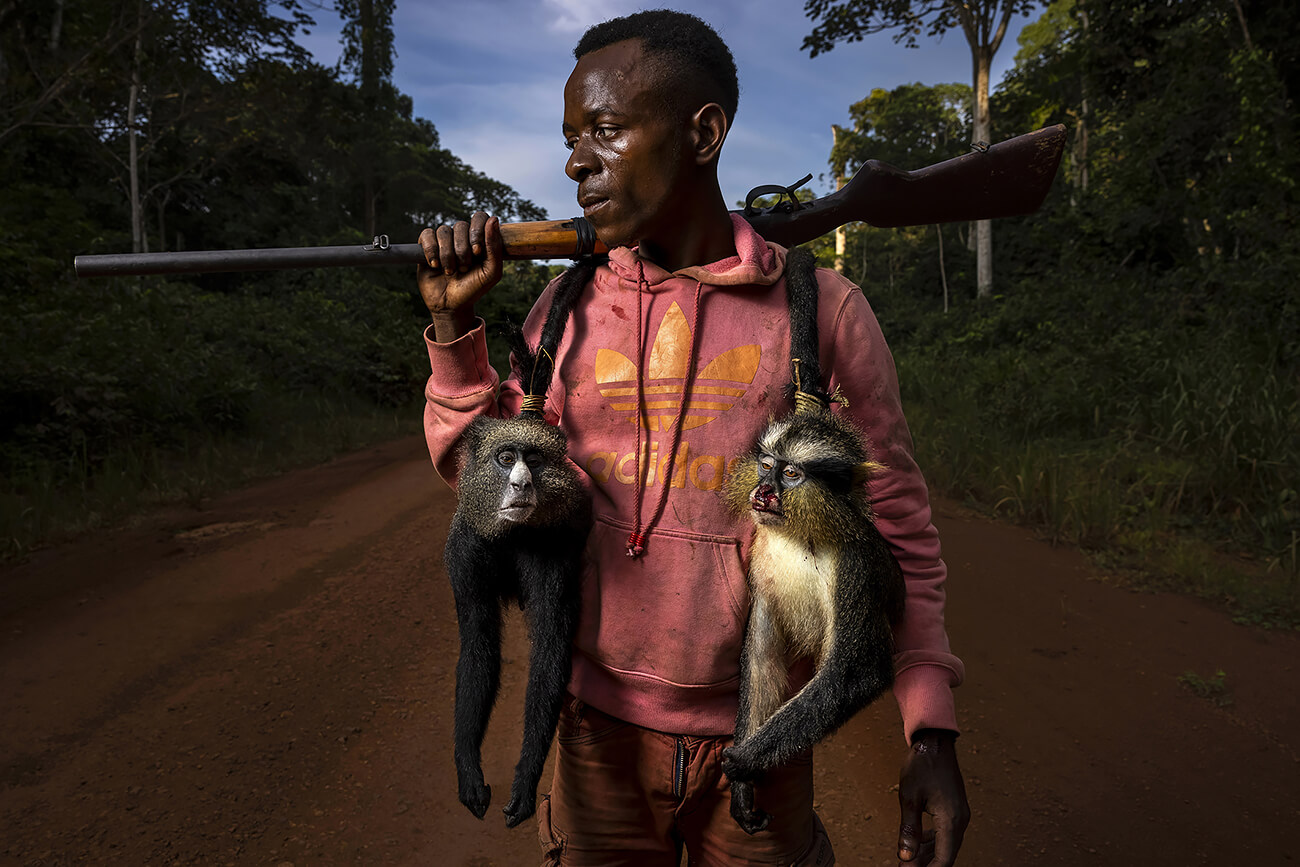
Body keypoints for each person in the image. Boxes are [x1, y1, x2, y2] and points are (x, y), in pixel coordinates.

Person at [417, 9, 968, 866]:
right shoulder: (562, 311)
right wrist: (455, 333)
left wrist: (930, 728)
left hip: (763, 739)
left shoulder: (823, 315)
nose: (574, 162)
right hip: (593, 733)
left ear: (703, 131)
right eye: (570, 137)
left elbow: (895, 529)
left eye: (605, 130)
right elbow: (494, 493)